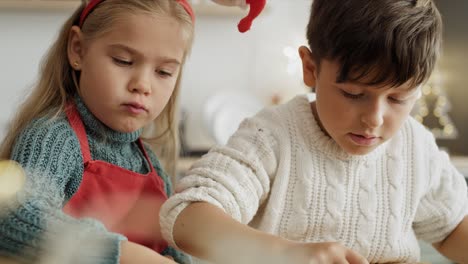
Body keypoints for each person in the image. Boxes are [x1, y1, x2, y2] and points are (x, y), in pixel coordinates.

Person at [160, 0, 468, 263]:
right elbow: (186, 216)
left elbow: (452, 227)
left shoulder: (416, 147)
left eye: (399, 99)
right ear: (311, 68)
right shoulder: (271, 137)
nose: (374, 119)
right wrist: (283, 254)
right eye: (353, 94)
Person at [0, 0, 195, 263]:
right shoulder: (53, 137)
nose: (142, 85)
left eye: (163, 72)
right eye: (123, 61)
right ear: (78, 50)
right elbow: (13, 216)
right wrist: (123, 254)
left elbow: (173, 249)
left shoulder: (149, 163)